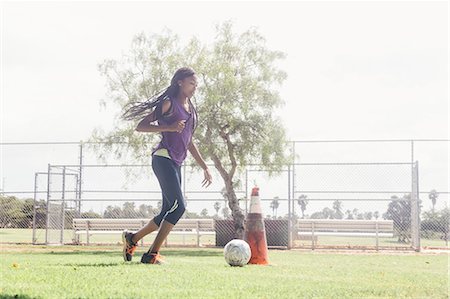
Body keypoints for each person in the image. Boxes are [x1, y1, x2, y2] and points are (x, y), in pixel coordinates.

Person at [120, 67, 212, 264]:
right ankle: (151, 255)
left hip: (176, 162)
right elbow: (141, 126)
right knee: (179, 208)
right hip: (163, 158)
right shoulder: (168, 104)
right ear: (180, 82)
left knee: (167, 211)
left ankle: (132, 238)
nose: (195, 87)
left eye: (196, 84)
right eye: (191, 83)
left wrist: (204, 166)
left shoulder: (190, 109)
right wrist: (168, 127)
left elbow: (188, 141)